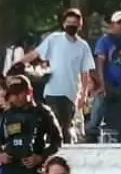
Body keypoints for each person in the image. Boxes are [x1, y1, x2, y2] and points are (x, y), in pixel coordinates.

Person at [21, 8, 97, 142]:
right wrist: (18, 63)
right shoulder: (54, 39)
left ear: (80, 25)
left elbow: (85, 72)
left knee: (66, 125)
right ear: (63, 24)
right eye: (69, 22)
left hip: (71, 93)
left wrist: (84, 95)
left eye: (75, 23)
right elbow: (36, 54)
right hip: (52, 90)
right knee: (52, 123)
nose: (71, 26)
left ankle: (65, 151)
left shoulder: (83, 46)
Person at [85, 11, 121, 142]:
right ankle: (91, 132)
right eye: (119, 23)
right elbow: (100, 62)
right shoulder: (105, 41)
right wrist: (102, 84)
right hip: (110, 85)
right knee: (100, 102)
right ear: (113, 24)